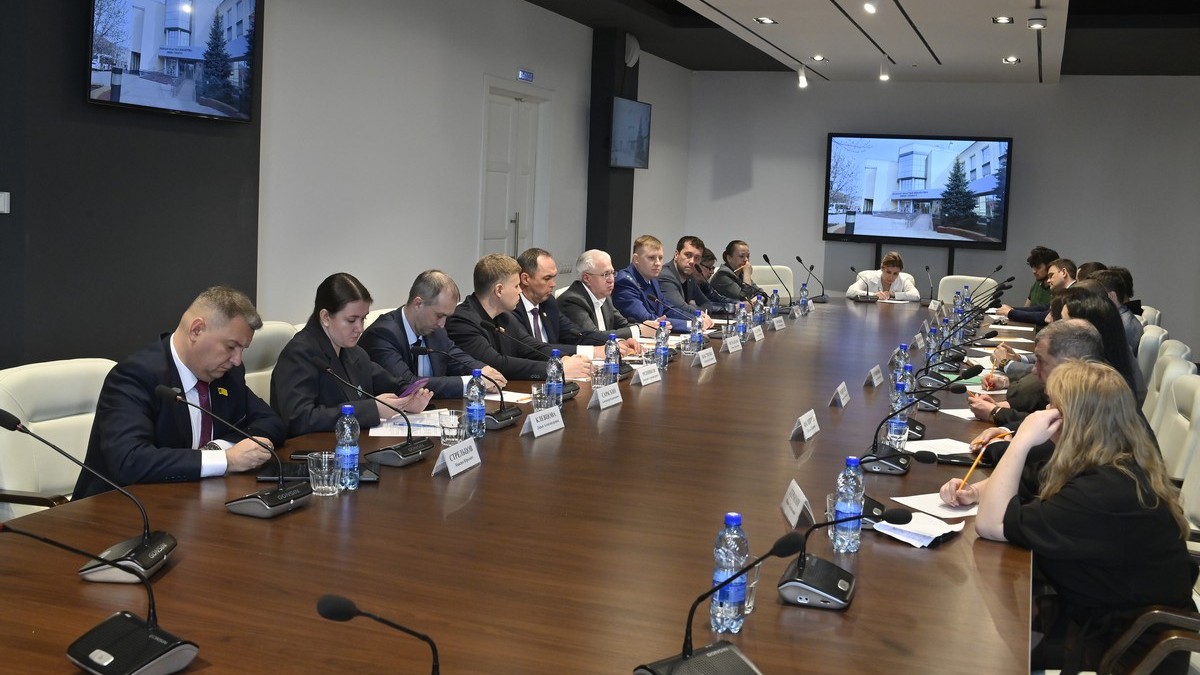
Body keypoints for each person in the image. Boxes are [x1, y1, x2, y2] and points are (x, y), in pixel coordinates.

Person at [944, 360, 1195, 674]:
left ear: (1074, 420)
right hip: (1102, 615)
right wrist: (975, 492)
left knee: (974, 649)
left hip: (1129, 649)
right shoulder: (1107, 459)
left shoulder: (1104, 492)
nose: (1044, 412)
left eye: (1052, 405)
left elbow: (991, 524)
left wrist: (1021, 440)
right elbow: (1027, 483)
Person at [73, 286, 287, 499]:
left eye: (243, 350)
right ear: (196, 330)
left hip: (189, 499)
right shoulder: (135, 375)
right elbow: (129, 460)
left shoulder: (227, 374)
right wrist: (226, 459)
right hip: (117, 506)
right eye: (231, 347)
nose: (237, 360)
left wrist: (217, 448)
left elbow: (272, 423)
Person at [271, 273, 433, 437]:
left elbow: (391, 384)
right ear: (325, 317)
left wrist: (410, 397)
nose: (360, 328)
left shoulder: (354, 351)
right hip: (313, 449)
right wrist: (373, 410)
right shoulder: (298, 354)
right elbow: (299, 419)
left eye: (363, 319)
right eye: (351, 320)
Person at [359, 270, 507, 399]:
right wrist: (471, 382)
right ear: (418, 304)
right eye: (439, 315)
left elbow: (454, 355)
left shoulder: (435, 329)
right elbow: (407, 384)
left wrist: (482, 370)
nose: (442, 324)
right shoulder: (383, 334)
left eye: (447, 317)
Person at [446, 253, 592, 380]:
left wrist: (563, 358)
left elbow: (531, 346)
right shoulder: (461, 321)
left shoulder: (505, 316)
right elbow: (496, 364)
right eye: (516, 286)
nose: (520, 292)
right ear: (499, 290)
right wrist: (556, 368)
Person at [506, 248, 639, 356]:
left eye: (554, 277)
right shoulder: (512, 309)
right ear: (525, 279)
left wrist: (616, 341)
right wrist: (593, 352)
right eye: (547, 278)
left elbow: (578, 334)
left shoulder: (548, 303)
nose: (553, 284)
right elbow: (533, 349)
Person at [969, 319, 1103, 426]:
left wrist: (995, 413)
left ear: (1069, 363)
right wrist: (1000, 407)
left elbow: (1050, 426)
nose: (1034, 369)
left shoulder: (1092, 401)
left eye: (1041, 361)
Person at [1050, 286, 1145, 402]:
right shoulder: (1117, 350)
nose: (1060, 326)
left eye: (1065, 322)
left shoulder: (1101, 381)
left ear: (1089, 327)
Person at [558, 250, 651, 345]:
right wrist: (639, 330)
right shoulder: (572, 301)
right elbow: (593, 337)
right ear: (587, 278)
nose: (611, 280)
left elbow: (623, 324)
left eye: (612, 273)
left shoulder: (603, 296)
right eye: (606, 274)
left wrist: (649, 327)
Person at [611, 235, 677, 331]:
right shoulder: (624, 282)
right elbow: (646, 319)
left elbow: (667, 309)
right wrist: (689, 325)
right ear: (636, 259)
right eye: (651, 258)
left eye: (660, 258)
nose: (658, 263)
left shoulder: (652, 279)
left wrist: (694, 319)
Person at [656, 236, 721, 328]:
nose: (692, 261)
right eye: (688, 255)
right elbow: (679, 307)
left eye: (697, 258)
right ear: (676, 255)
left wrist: (700, 312)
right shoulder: (666, 275)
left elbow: (707, 304)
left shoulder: (690, 277)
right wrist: (699, 315)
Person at [998, 257, 1076, 325]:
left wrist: (1010, 312)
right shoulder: (1068, 292)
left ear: (1063, 272)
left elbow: (1044, 317)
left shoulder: (1075, 293)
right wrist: (1012, 309)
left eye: (1051, 276)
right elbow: (1043, 308)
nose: (1048, 280)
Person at [1091, 268, 1144, 355]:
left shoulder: (1118, 327)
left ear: (1111, 296)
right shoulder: (1123, 318)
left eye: (1094, 295)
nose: (1090, 301)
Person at [845, 250, 921, 301]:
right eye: (888, 272)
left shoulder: (903, 279)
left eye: (895, 273)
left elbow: (916, 295)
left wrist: (893, 295)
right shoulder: (869, 277)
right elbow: (850, 291)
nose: (891, 277)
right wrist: (874, 295)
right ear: (882, 268)